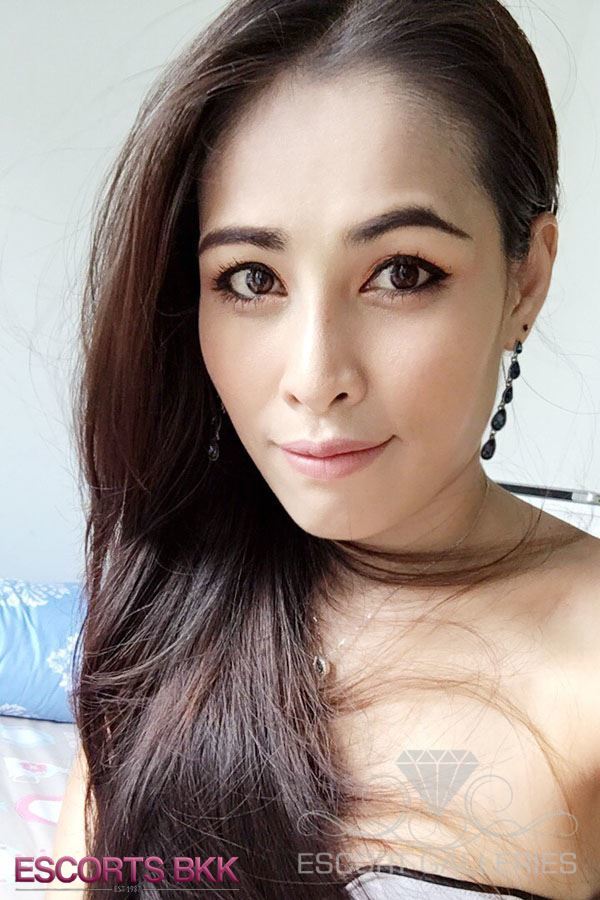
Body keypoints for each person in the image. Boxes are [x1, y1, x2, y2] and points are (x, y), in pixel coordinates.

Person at [49, 1, 600, 898]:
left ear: (525, 279)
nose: (314, 377)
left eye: (401, 273)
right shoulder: (168, 612)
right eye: (251, 278)